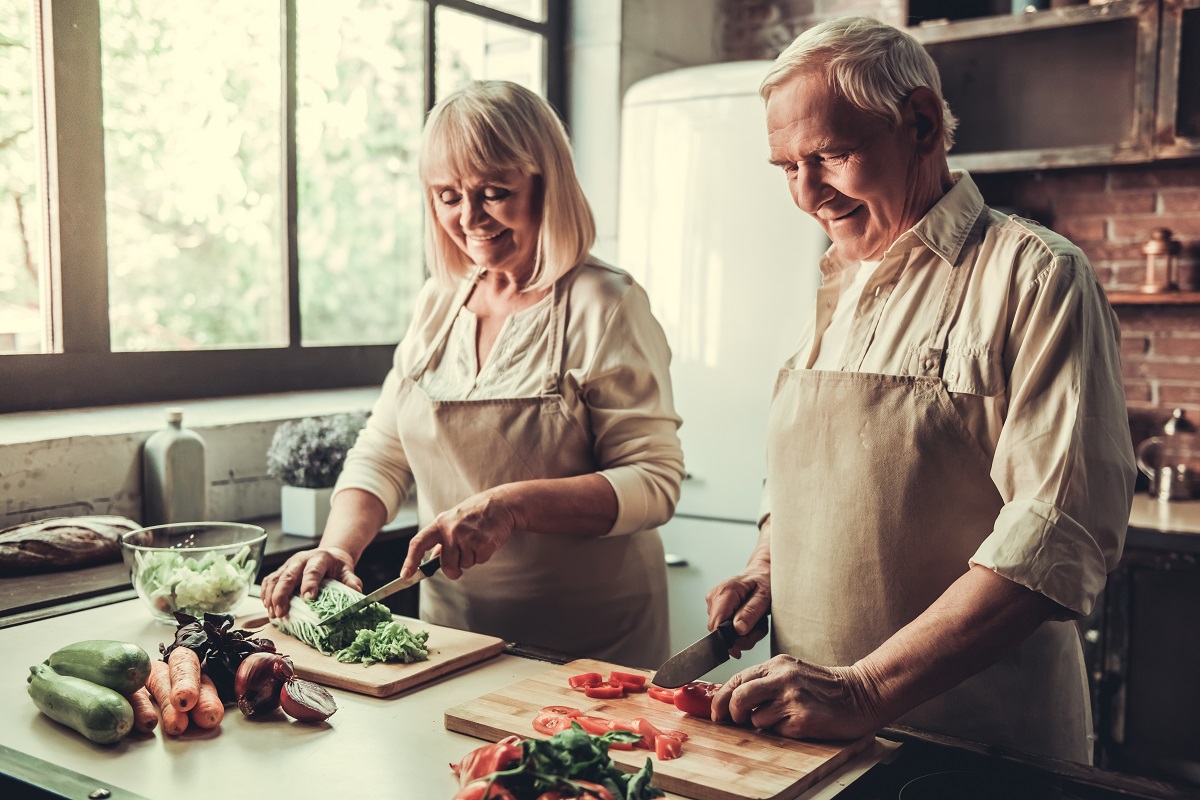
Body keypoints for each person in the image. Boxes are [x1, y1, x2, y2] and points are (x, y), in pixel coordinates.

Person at [703, 16, 1135, 763]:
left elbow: (1058, 532)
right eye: (785, 167)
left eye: (832, 155)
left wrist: (865, 690)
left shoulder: (1035, 276)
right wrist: (769, 560)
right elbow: (822, 471)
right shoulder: (836, 282)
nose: (807, 195)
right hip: (814, 742)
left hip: (977, 746)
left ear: (923, 125)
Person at [261, 80, 684, 669]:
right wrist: (338, 547)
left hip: (592, 650)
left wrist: (513, 506)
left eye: (493, 192)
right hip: (453, 637)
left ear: (546, 184)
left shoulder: (605, 303)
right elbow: (382, 453)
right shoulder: (439, 303)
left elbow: (654, 483)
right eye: (447, 195)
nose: (469, 217)